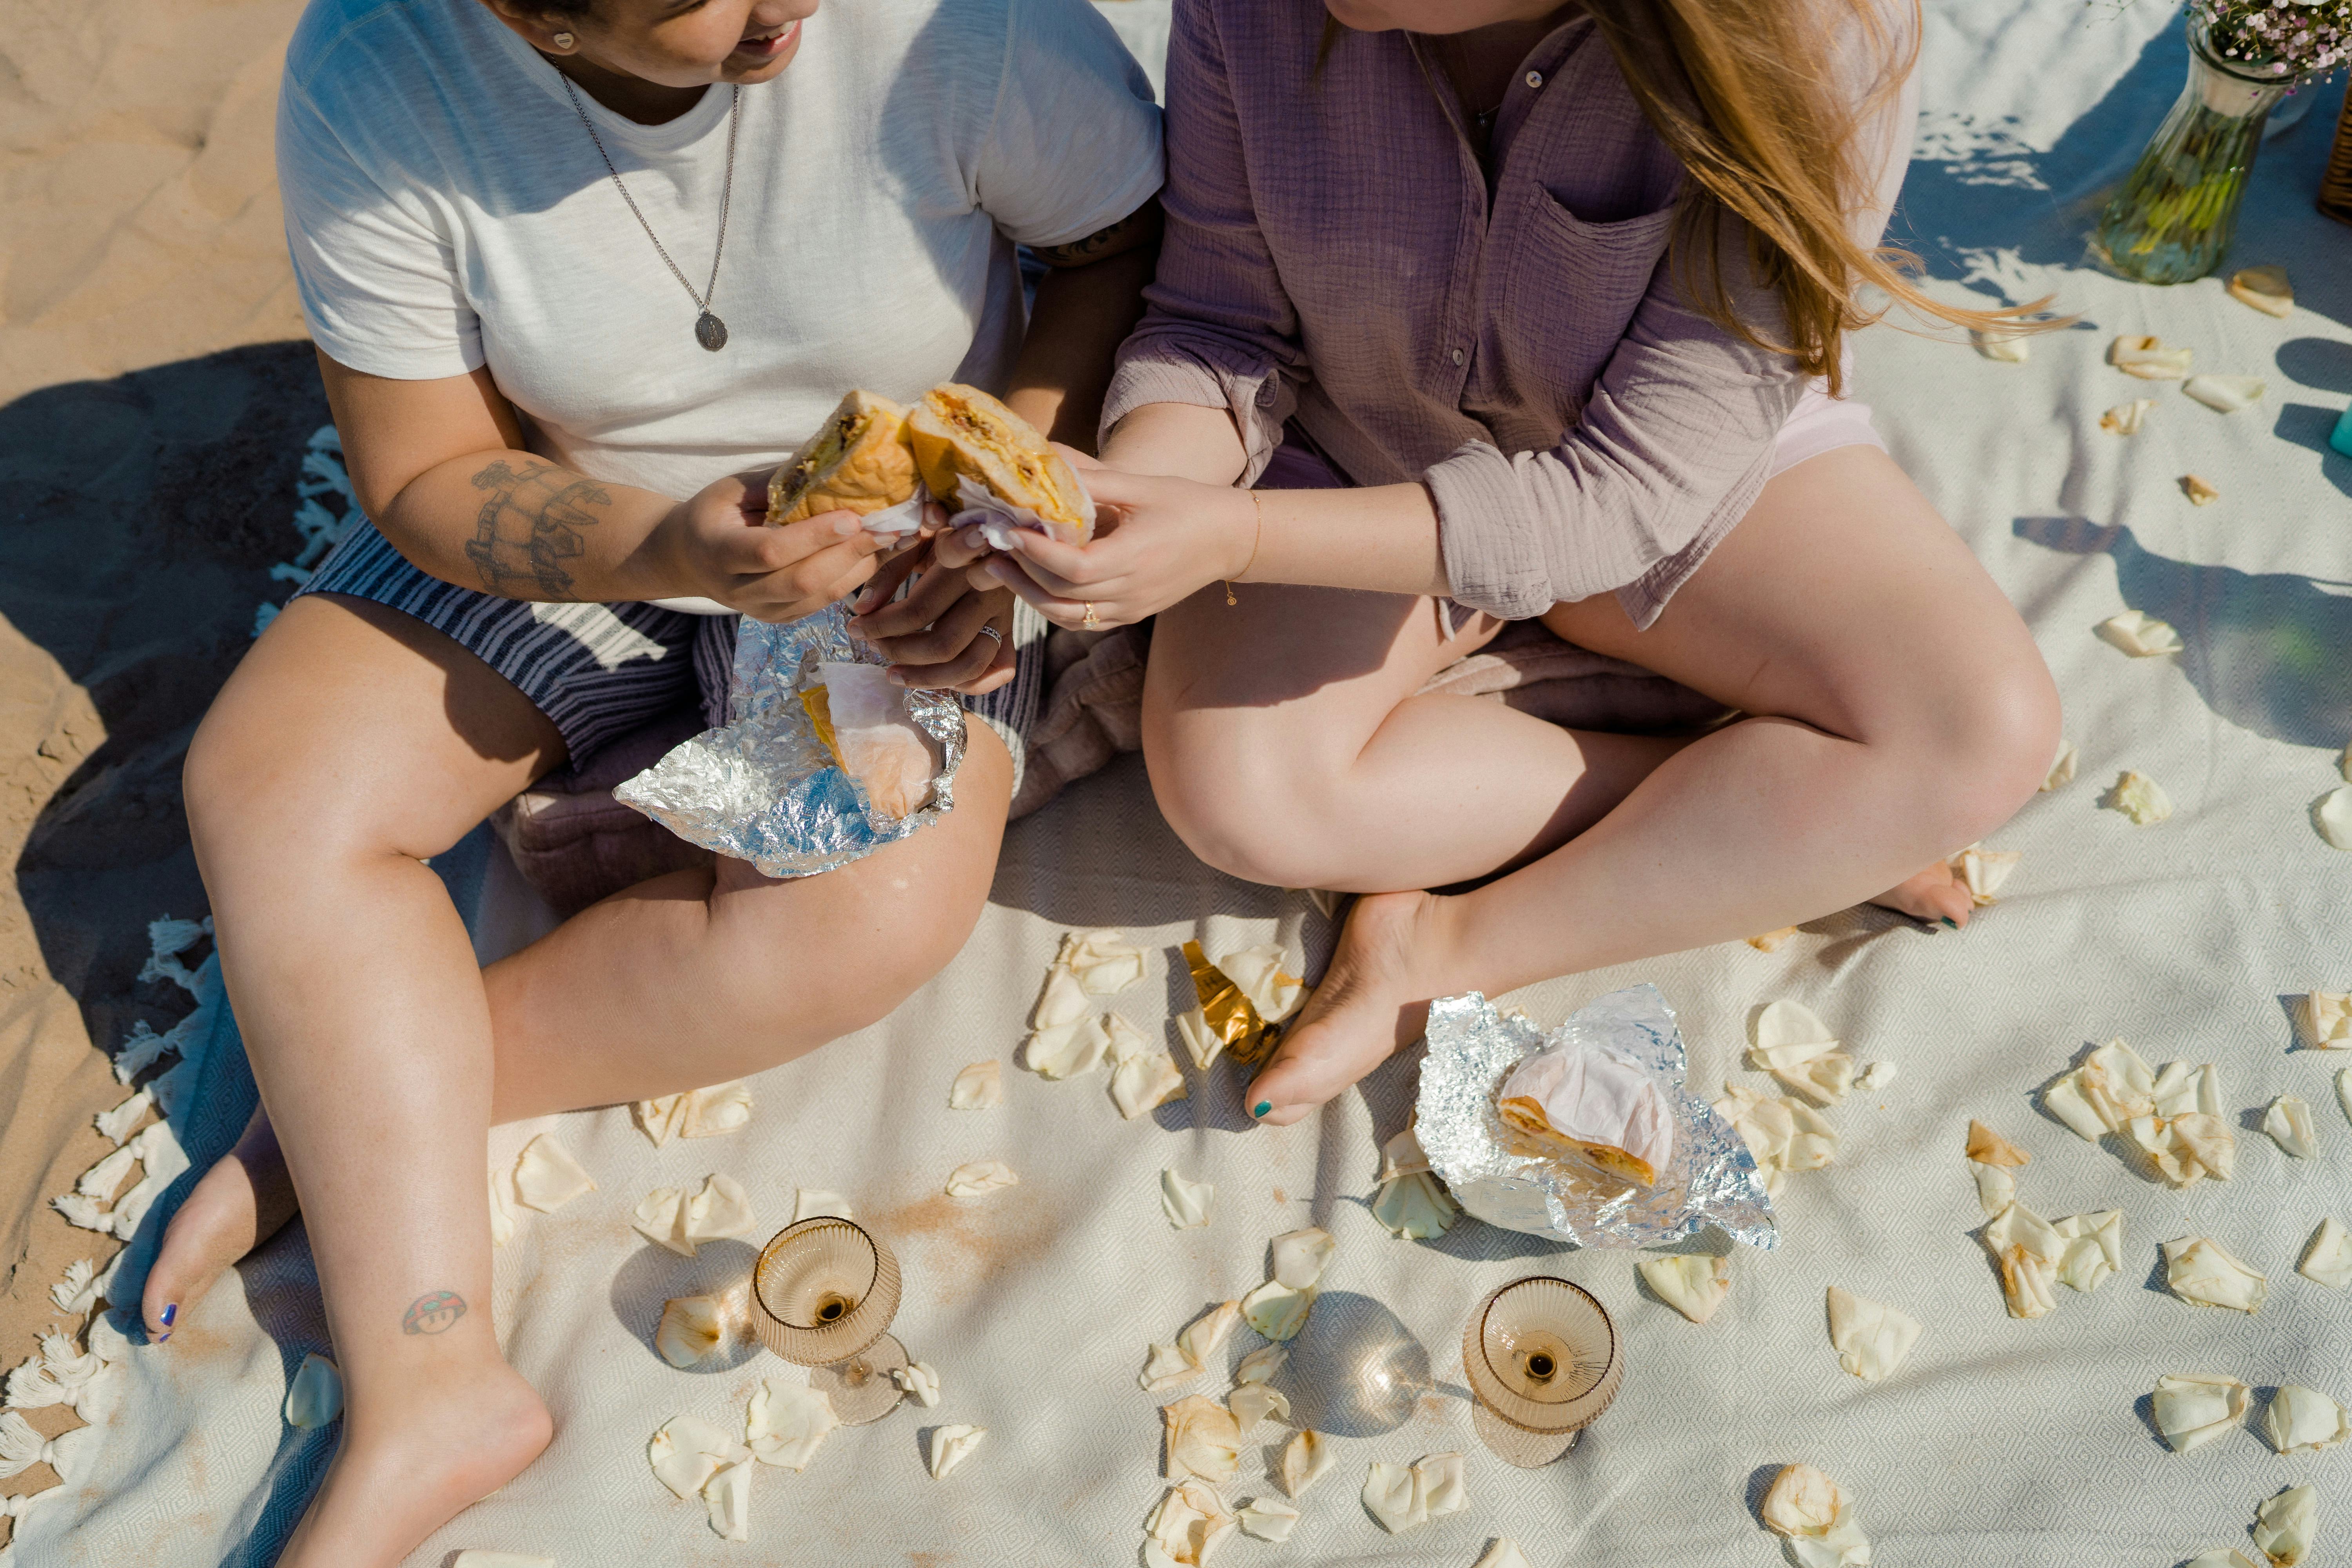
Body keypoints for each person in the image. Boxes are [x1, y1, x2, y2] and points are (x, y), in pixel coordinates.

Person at [139, 0, 1161, 1557]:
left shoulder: (954, 26)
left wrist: (994, 502)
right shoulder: (381, 70)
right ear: (535, 15)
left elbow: (1118, 247)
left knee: (867, 912)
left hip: (908, 549)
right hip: (578, 504)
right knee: (272, 788)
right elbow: (424, 468)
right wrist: (663, 543)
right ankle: (431, 1391)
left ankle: (340, 1113)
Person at [962, 0, 2063, 1126]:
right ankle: (1777, 814)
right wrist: (1140, 496)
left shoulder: (1821, 39)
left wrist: (1236, 536)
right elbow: (1219, 322)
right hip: (1352, 445)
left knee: (1978, 729)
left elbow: (1631, 492)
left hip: (1676, 477)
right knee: (1242, 800)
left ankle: (1443, 948)